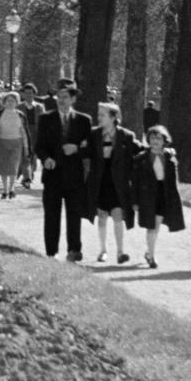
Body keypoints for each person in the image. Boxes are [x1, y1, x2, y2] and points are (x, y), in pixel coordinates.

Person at [35, 80, 93, 262]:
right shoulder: (46, 118)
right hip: (52, 175)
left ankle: (74, 250)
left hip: (74, 176)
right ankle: (52, 252)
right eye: (58, 97)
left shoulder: (84, 120)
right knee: (52, 216)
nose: (61, 100)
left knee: (74, 215)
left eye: (65, 97)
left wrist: (76, 149)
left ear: (73, 99)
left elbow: (91, 148)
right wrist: (46, 159)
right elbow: (39, 146)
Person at [84, 102, 137, 264]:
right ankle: (103, 251)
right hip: (100, 179)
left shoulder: (126, 136)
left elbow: (140, 151)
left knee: (117, 215)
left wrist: (165, 150)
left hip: (118, 181)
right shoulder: (94, 135)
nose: (98, 118)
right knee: (101, 216)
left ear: (114, 117)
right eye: (98, 114)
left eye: (102, 115)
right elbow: (85, 152)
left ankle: (121, 252)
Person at [133, 125, 185, 268]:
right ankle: (151, 255)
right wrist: (135, 201)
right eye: (152, 137)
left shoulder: (169, 157)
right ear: (148, 139)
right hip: (147, 194)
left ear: (164, 140)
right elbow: (135, 182)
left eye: (159, 138)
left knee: (156, 225)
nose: (155, 141)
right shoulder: (141, 158)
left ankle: (149, 252)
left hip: (164, 193)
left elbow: (174, 179)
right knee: (151, 225)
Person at [0, 91, 31, 199]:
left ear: (17, 102)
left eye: (13, 101)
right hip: (1, 142)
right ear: (4, 102)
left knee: (13, 167)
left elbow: (24, 132)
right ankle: (5, 190)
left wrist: (26, 147)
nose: (10, 103)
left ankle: (12, 189)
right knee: (3, 167)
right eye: (8, 101)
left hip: (16, 143)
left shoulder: (21, 115)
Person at [16, 84, 44, 189]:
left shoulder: (39, 107)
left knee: (33, 156)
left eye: (31, 93)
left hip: (36, 133)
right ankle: (27, 177)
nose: (29, 95)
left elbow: (43, 120)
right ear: (23, 94)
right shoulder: (19, 107)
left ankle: (29, 174)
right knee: (25, 155)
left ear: (34, 94)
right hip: (23, 132)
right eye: (26, 93)